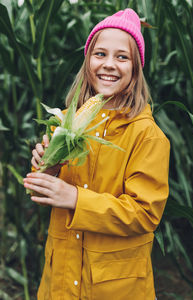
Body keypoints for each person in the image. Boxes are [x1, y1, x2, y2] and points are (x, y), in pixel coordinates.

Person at [23, 8, 170, 300]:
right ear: (87, 61)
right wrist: (47, 169)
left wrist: (75, 198)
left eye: (122, 57)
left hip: (115, 286)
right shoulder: (65, 121)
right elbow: (42, 194)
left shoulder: (147, 136)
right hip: (61, 280)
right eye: (100, 54)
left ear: (136, 68)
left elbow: (144, 214)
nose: (109, 65)